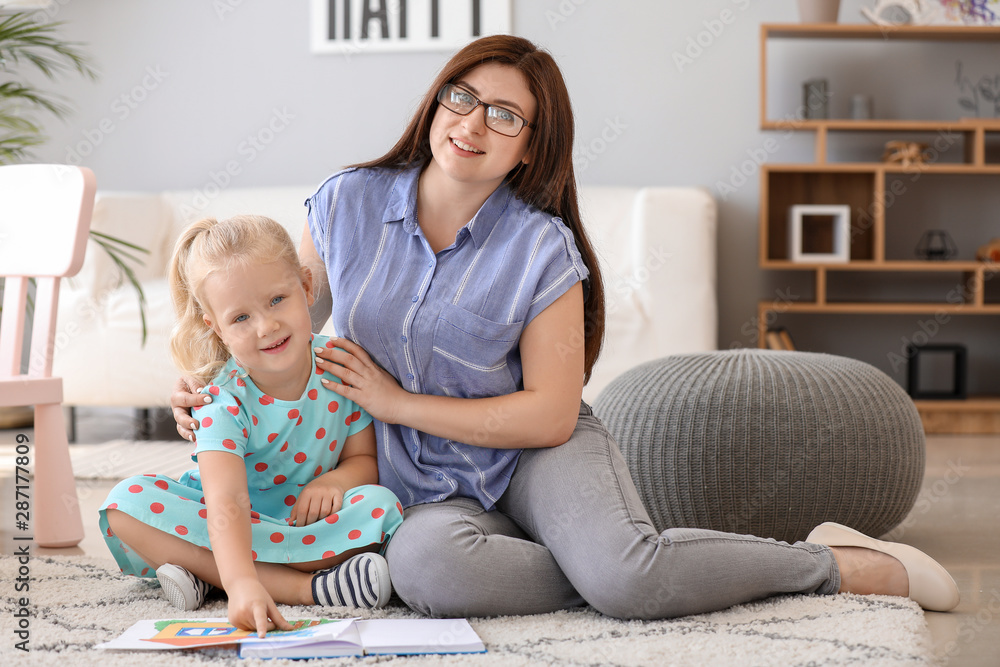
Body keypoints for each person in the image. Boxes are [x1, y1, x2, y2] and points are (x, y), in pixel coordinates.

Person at [172, 36, 959, 619]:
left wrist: (397, 403)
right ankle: (611, 558)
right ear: (438, 101)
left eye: (505, 115)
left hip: (535, 454)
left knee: (629, 584)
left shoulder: (541, 245)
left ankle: (833, 562)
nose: (474, 122)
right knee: (427, 571)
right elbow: (283, 330)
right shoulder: (346, 202)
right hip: (423, 484)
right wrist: (208, 385)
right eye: (462, 96)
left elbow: (550, 413)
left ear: (527, 148)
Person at [102, 215, 404, 636]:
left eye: (277, 300)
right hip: (227, 524)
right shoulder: (222, 400)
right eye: (240, 318)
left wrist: (334, 483)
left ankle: (205, 573)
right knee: (124, 503)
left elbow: (364, 460)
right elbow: (225, 504)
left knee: (381, 506)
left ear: (306, 286)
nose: (266, 326)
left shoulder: (340, 366)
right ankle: (303, 588)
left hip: (306, 526)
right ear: (218, 329)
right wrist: (241, 579)